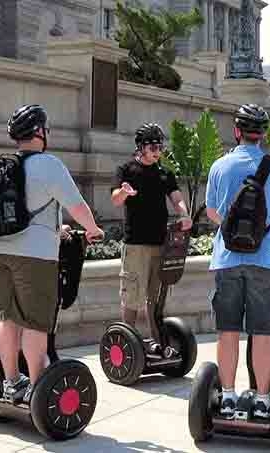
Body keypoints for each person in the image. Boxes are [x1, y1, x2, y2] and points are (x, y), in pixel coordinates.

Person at [0, 104, 105, 403]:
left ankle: (12, 382)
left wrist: (58, 229)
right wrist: (92, 229)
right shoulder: (48, 164)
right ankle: (38, 390)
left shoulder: (4, 165)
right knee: (36, 322)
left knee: (9, 317)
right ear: (39, 132)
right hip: (34, 257)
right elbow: (77, 206)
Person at [205, 104, 270, 419]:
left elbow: (213, 213)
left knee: (227, 331)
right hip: (263, 259)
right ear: (263, 135)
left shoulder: (221, 166)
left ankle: (228, 397)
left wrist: (233, 227)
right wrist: (266, 228)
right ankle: (261, 399)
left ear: (237, 131)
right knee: (262, 332)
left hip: (227, 259)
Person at [110, 122, 192, 353]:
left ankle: (159, 342)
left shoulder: (164, 173)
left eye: (160, 146)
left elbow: (176, 198)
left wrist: (184, 214)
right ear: (141, 147)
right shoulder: (126, 170)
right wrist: (124, 192)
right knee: (131, 297)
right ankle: (127, 344)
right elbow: (115, 199)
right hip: (136, 244)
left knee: (155, 299)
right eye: (153, 146)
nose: (158, 150)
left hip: (160, 244)